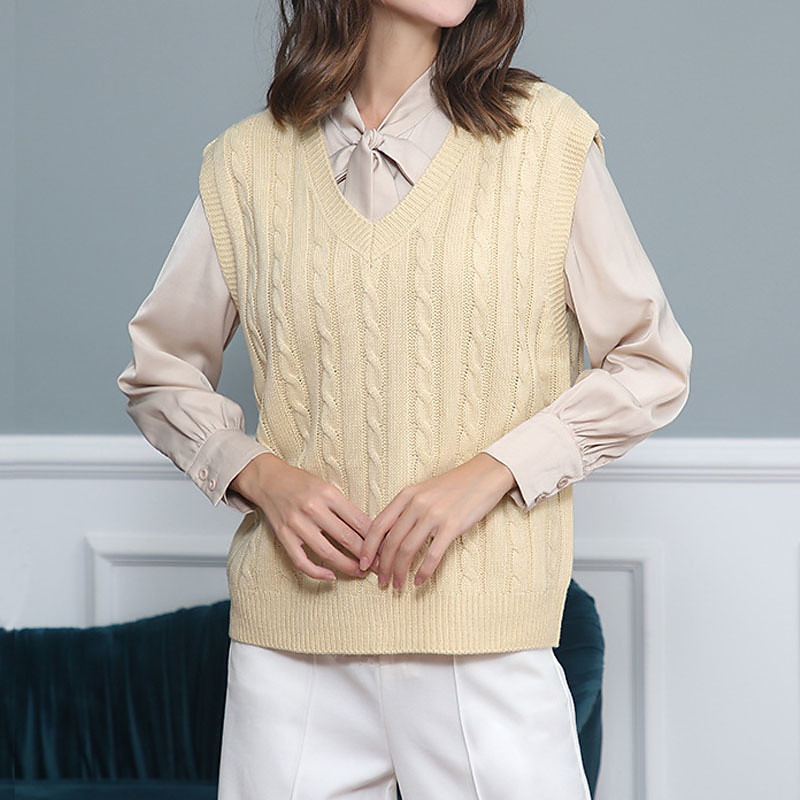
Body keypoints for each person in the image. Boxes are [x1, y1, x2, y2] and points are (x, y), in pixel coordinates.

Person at [117, 1, 692, 797]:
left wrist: (493, 471)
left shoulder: (548, 141)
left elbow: (650, 365)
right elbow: (160, 371)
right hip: (291, 651)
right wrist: (260, 476)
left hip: (485, 642)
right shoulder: (246, 163)